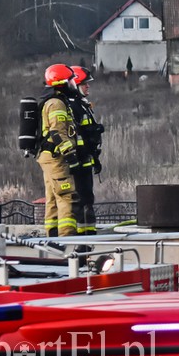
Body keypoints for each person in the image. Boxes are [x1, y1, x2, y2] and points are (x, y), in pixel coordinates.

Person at [37, 64, 82, 237]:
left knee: (53, 198)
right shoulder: (56, 104)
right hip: (56, 157)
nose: (73, 83)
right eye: (71, 80)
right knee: (66, 195)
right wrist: (71, 157)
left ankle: (53, 237)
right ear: (62, 82)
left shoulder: (53, 101)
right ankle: (67, 239)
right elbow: (57, 133)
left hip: (48, 156)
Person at [69, 66, 105, 235]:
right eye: (84, 84)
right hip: (79, 161)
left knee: (88, 199)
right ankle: (80, 238)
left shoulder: (83, 106)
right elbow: (77, 135)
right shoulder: (73, 106)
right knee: (80, 200)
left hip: (87, 159)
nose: (87, 86)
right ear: (74, 85)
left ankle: (89, 235)